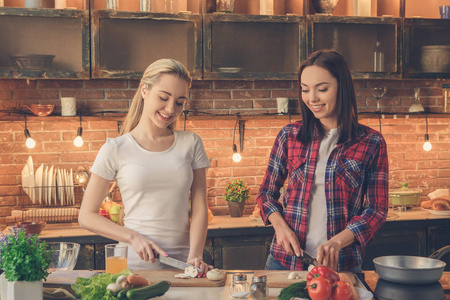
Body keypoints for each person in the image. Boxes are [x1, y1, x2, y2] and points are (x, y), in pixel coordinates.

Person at [256, 50, 389, 272]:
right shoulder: (289, 135)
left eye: (322, 89)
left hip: (342, 265)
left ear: (342, 87)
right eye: (305, 90)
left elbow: (377, 209)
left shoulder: (371, 142)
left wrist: (337, 242)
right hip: (285, 262)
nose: (312, 98)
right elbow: (266, 193)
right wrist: (280, 227)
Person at [79, 58, 211, 274]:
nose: (170, 109)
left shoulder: (191, 143)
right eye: (163, 98)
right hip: (134, 268)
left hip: (184, 267)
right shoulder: (115, 148)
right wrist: (133, 237)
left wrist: (195, 255)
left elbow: (199, 208)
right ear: (144, 90)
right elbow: (86, 216)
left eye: (179, 102)